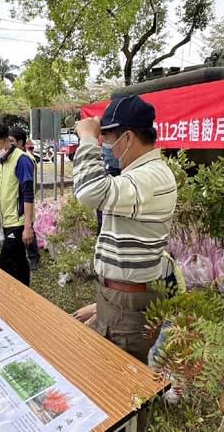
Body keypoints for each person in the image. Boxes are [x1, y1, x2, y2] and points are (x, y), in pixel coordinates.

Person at [73, 95, 177, 364]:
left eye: (106, 140)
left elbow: (89, 191)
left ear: (127, 138)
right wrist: (104, 305)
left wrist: (86, 138)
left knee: (122, 379)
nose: (106, 147)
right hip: (120, 296)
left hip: (128, 300)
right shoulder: (139, 175)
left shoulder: (151, 176)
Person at [0, 123, 35, 287]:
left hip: (18, 222)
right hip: (8, 220)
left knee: (6, 262)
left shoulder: (21, 160)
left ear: (7, 140)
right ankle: (22, 294)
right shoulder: (0, 162)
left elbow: (28, 194)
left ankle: (18, 293)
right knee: (18, 261)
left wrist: (28, 226)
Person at [9, 127, 41, 271]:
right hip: (16, 203)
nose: (8, 145)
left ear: (20, 143)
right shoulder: (13, 158)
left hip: (24, 203)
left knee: (28, 230)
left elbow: (28, 189)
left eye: (11, 141)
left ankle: (34, 257)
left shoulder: (24, 159)